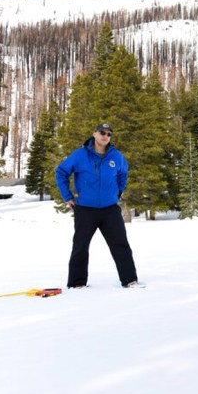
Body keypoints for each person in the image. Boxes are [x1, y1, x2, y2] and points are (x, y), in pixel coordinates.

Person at [56, 123, 142, 289]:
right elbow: (61, 172)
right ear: (94, 134)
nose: (105, 136)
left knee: (120, 244)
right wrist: (67, 197)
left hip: (110, 209)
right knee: (80, 246)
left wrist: (118, 192)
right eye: (102, 132)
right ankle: (77, 284)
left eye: (109, 134)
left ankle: (130, 280)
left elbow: (123, 174)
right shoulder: (80, 155)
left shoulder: (116, 156)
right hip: (86, 209)